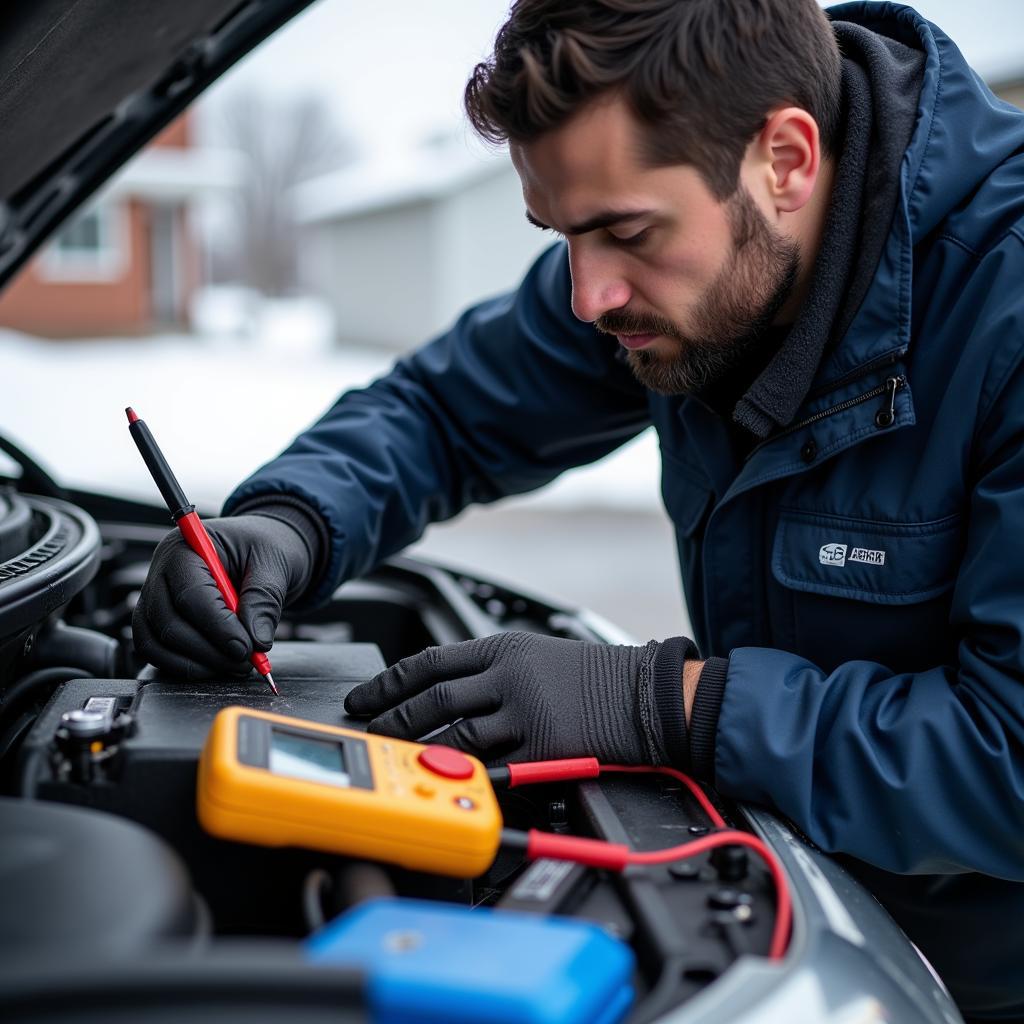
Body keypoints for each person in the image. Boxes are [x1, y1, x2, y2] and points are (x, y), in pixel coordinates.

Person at [134, 1, 1024, 1018]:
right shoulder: (677, 264)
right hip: (806, 915)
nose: (587, 296)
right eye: (561, 235)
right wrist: (291, 521)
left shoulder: (1003, 308)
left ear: (784, 157)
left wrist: (667, 705)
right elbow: (446, 410)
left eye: (623, 232)